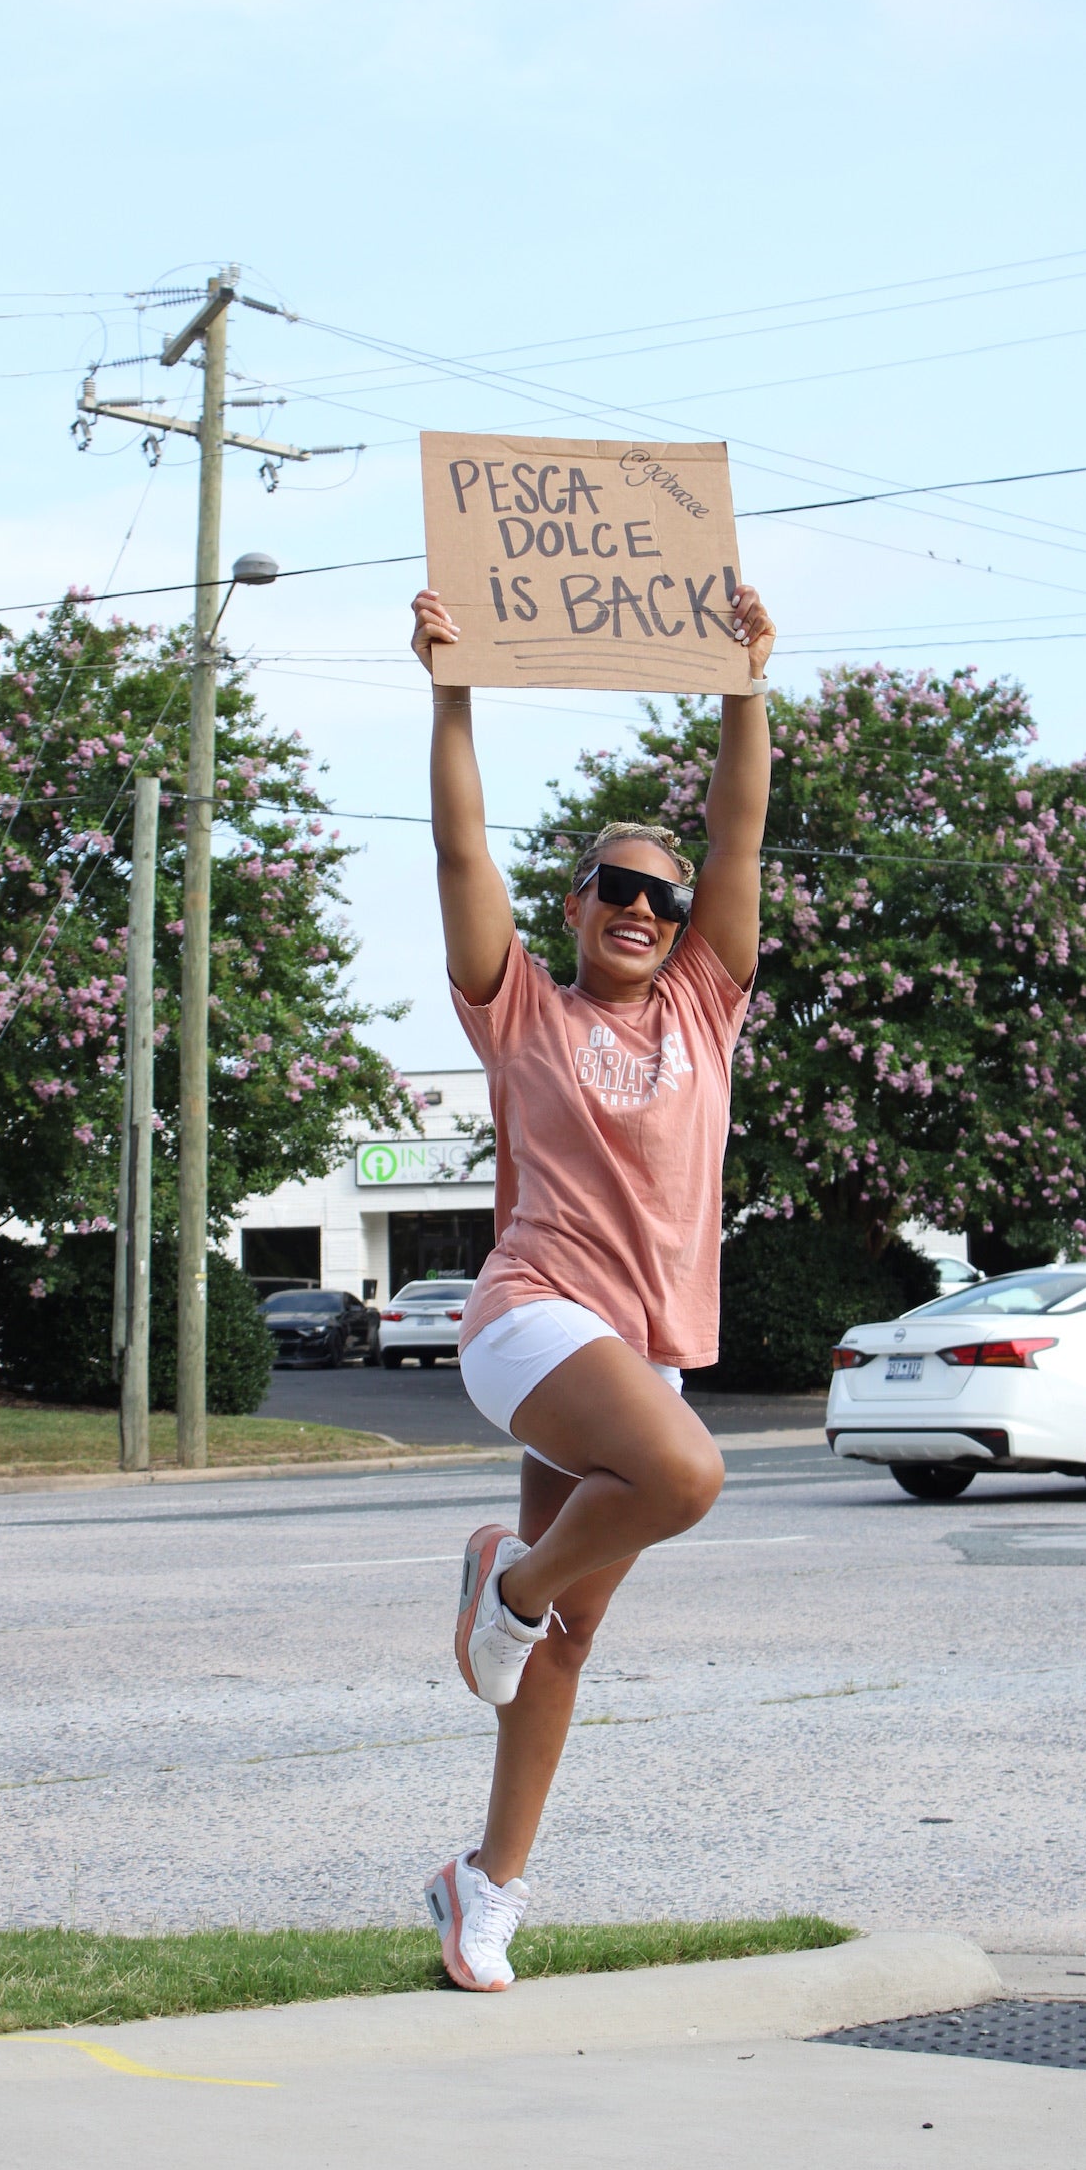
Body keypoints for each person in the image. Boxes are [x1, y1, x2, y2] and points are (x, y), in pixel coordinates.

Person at [411, 579, 775, 1991]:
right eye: (613, 885)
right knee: (687, 1478)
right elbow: (460, 848)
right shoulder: (520, 1007)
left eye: (660, 894)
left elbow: (740, 823)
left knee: (566, 1648)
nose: (639, 904)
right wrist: (450, 689)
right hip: (530, 1322)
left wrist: (746, 681)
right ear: (573, 907)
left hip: (639, 1348)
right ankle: (501, 1589)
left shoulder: (704, 1001)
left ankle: (485, 1888)